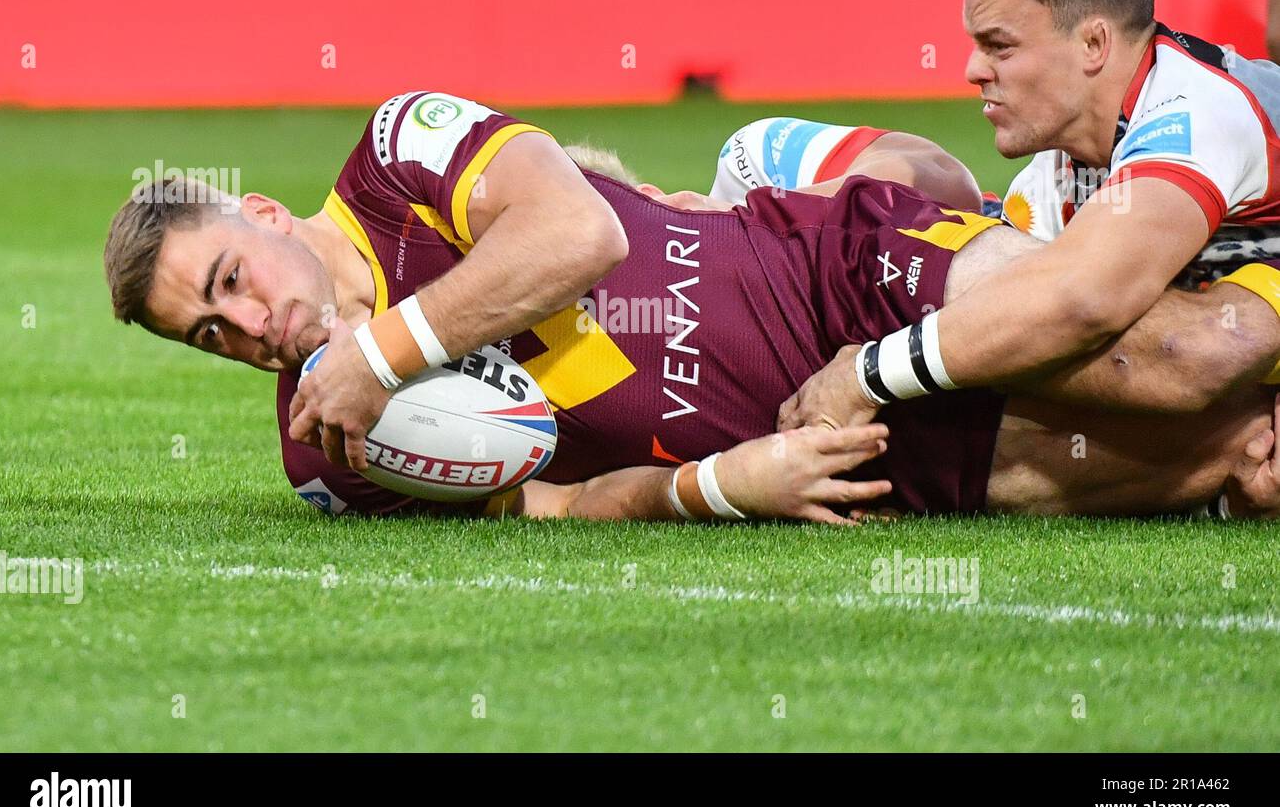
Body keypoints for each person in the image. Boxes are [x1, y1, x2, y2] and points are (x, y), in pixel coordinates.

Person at [103, 92, 1280, 522]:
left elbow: (583, 230)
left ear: (259, 211)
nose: (250, 328)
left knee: (1195, 356)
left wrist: (387, 346)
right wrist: (716, 486)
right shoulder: (330, 459)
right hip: (825, 449)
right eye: (210, 334)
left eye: (228, 282)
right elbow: (549, 509)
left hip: (827, 266)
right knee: (1231, 458)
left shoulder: (396, 152)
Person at [782, 0, 1280, 447]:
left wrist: (870, 376)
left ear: (1094, 44)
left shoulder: (1196, 114)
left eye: (999, 45)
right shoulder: (1048, 182)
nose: (973, 70)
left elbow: (1086, 299)